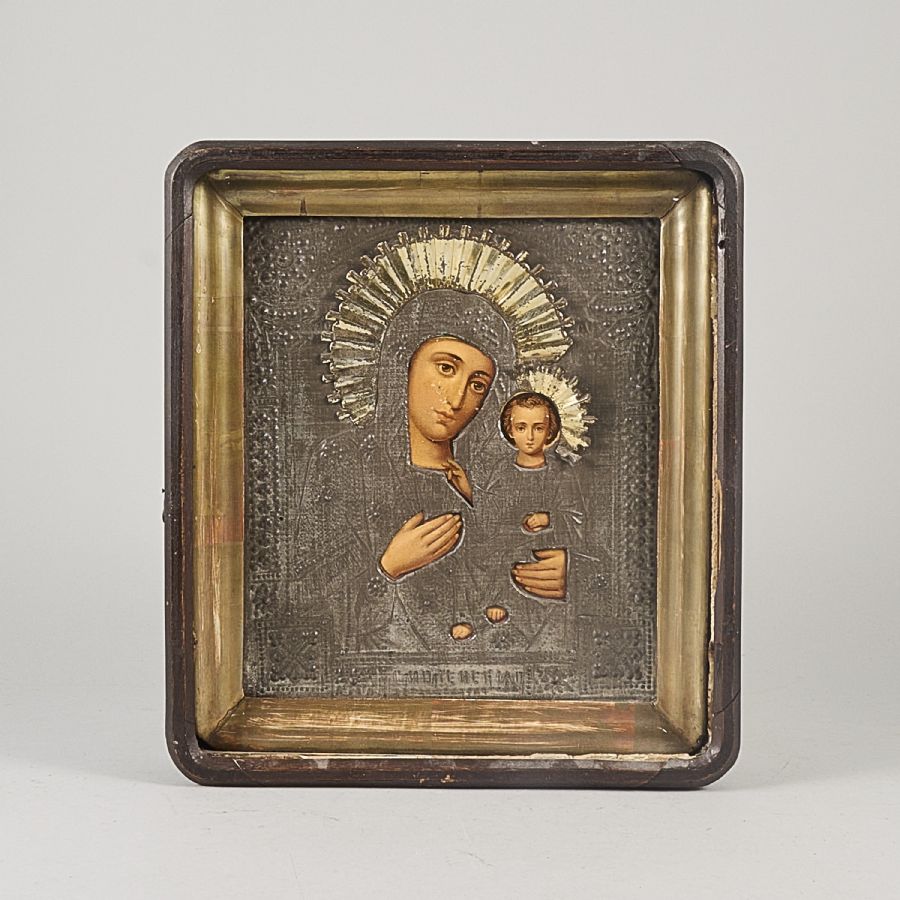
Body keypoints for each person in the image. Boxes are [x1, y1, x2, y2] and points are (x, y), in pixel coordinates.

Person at [294, 289, 569, 654]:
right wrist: (388, 568)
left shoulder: (501, 472)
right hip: (383, 673)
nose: (456, 400)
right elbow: (300, 603)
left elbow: (554, 546)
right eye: (446, 368)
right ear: (403, 364)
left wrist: (566, 574)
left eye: (477, 385)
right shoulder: (345, 461)